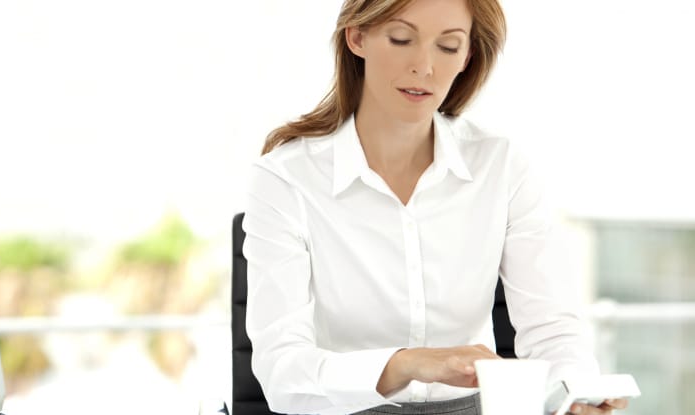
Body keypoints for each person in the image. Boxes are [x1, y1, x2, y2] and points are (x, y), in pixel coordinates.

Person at [242, 1, 629, 414]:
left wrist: (576, 393)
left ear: (467, 57)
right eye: (401, 39)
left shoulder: (500, 166)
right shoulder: (286, 178)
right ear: (357, 37)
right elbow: (282, 368)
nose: (424, 66)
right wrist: (406, 364)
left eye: (448, 46)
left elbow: (553, 330)